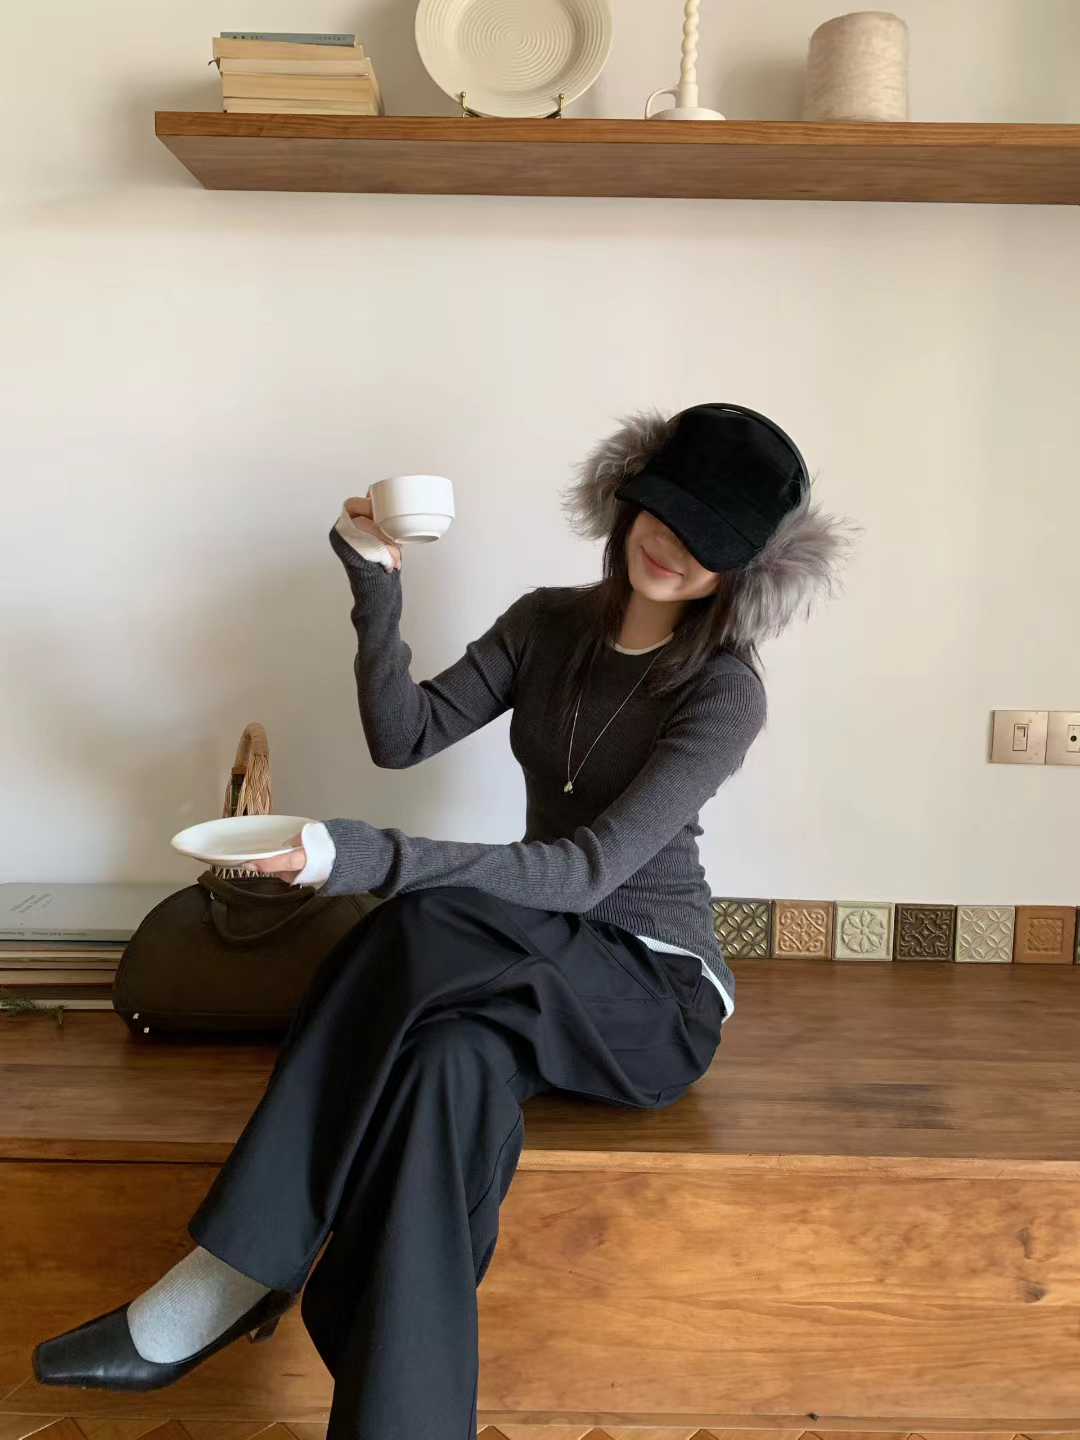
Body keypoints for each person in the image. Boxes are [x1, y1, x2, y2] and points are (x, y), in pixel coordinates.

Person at [32, 401, 856, 1436]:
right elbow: (404, 734)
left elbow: (585, 872)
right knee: (444, 1072)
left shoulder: (726, 691)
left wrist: (357, 856)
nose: (676, 547)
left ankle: (228, 1277)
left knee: (422, 921)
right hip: (533, 965)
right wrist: (374, 580)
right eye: (670, 512)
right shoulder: (547, 623)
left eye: (711, 542)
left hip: (651, 990)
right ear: (630, 493)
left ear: (743, 571)